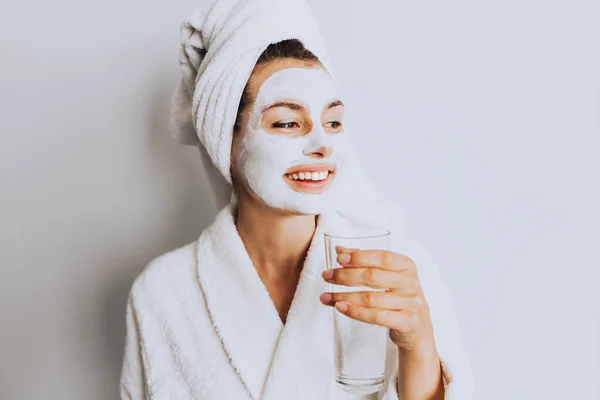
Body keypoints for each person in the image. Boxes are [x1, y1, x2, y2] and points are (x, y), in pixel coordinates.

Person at [120, 1, 473, 399]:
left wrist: (419, 346)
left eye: (333, 121)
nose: (323, 144)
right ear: (226, 142)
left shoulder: (399, 273)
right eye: (288, 122)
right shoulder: (163, 293)